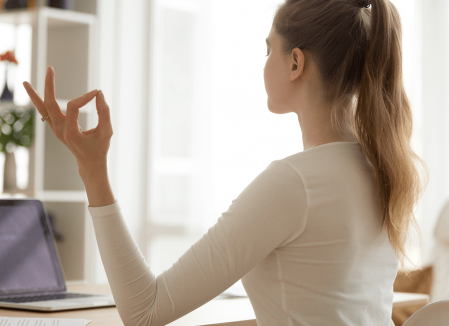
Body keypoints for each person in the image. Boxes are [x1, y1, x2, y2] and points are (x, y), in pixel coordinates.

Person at [23, 0, 427, 325]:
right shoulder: (383, 171)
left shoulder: (294, 183)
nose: (264, 61)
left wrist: (92, 169)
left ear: (295, 63)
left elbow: (145, 311)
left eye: (269, 48)